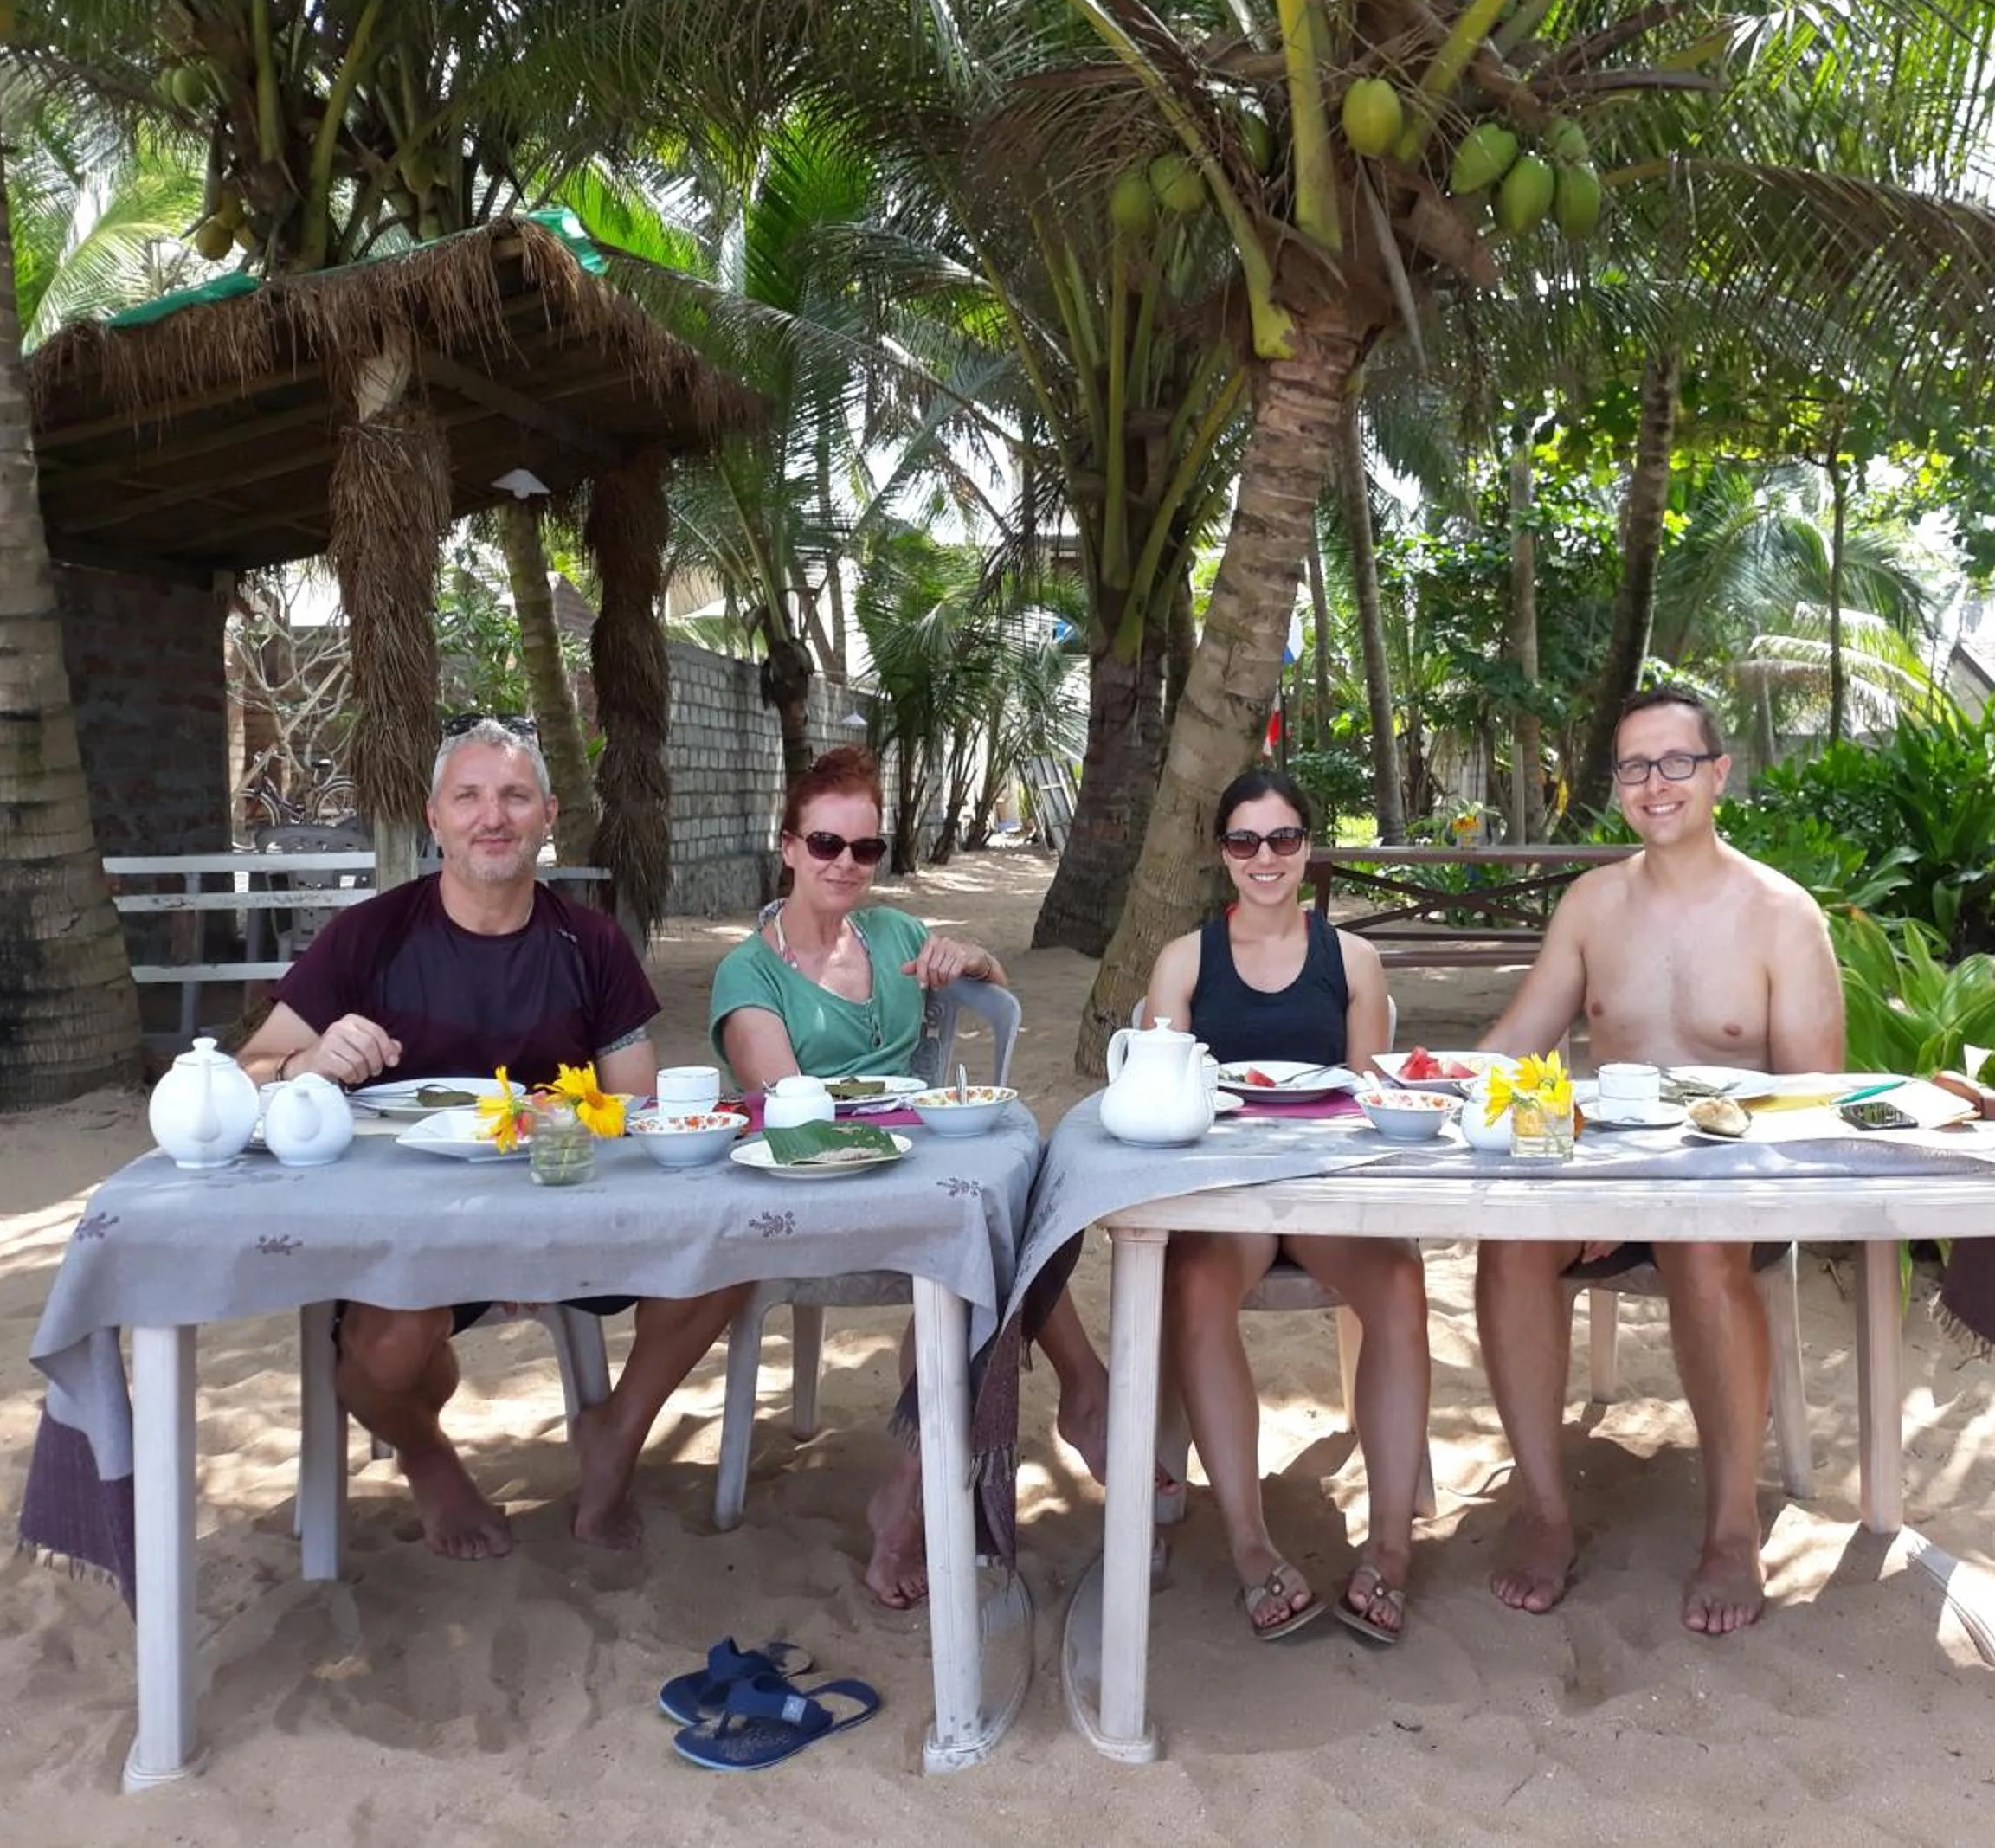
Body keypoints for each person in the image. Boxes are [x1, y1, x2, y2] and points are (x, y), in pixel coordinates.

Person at [238, 719, 746, 1560]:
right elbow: (245, 1070)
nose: (492, 817)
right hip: (407, 1225)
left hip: (567, 1205)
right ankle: (430, 1458)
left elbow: (637, 1108)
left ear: (547, 814)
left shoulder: (591, 944)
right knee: (391, 1348)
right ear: (434, 819)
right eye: (468, 797)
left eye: (513, 796)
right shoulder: (369, 936)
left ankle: (616, 1428)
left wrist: (548, 1215)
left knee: (729, 1237)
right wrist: (306, 1059)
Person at [1473, 685, 1843, 1633]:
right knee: (1508, 1243)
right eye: (1634, 765)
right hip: (1599, 1178)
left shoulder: (1781, 915)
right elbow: (1517, 1046)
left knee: (1702, 1251)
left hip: (1728, 1192)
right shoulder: (1594, 904)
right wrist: (1429, 1087)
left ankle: (1730, 1531)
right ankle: (1547, 1511)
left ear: (1718, 774)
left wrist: (1663, 1193)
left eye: (1676, 761)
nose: (1655, 783)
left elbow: (1812, 1100)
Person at [709, 744, 1111, 1609]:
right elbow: (789, 1110)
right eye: (826, 845)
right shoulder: (749, 973)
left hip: (922, 1178)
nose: (846, 866)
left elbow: (993, 986)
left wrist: (967, 956)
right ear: (788, 847)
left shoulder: (890, 934)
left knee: (1027, 1197)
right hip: (813, 1197)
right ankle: (1078, 1398)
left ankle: (917, 1482)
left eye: (865, 850)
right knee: (991, 1240)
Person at [1141, 769, 1426, 1643]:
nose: (1265, 859)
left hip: (1325, 1196)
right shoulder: (1186, 961)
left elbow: (1368, 1100)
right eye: (1244, 841)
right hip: (1229, 1200)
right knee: (1191, 1290)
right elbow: (1161, 1103)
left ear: (1308, 847)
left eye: (1284, 839)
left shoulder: (1353, 960)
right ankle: (1250, 1545)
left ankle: (1390, 1546)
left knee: (1404, 1289)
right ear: (1222, 853)